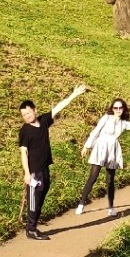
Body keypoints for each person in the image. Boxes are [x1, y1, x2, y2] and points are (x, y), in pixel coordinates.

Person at [19, 84, 89, 239]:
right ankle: (30, 229)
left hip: (44, 168)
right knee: (33, 200)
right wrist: (27, 173)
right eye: (24, 115)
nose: (27, 116)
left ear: (35, 110)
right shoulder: (24, 131)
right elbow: (23, 152)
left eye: (29, 113)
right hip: (34, 171)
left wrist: (74, 94)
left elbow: (58, 107)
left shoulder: (43, 121)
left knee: (41, 198)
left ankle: (33, 227)